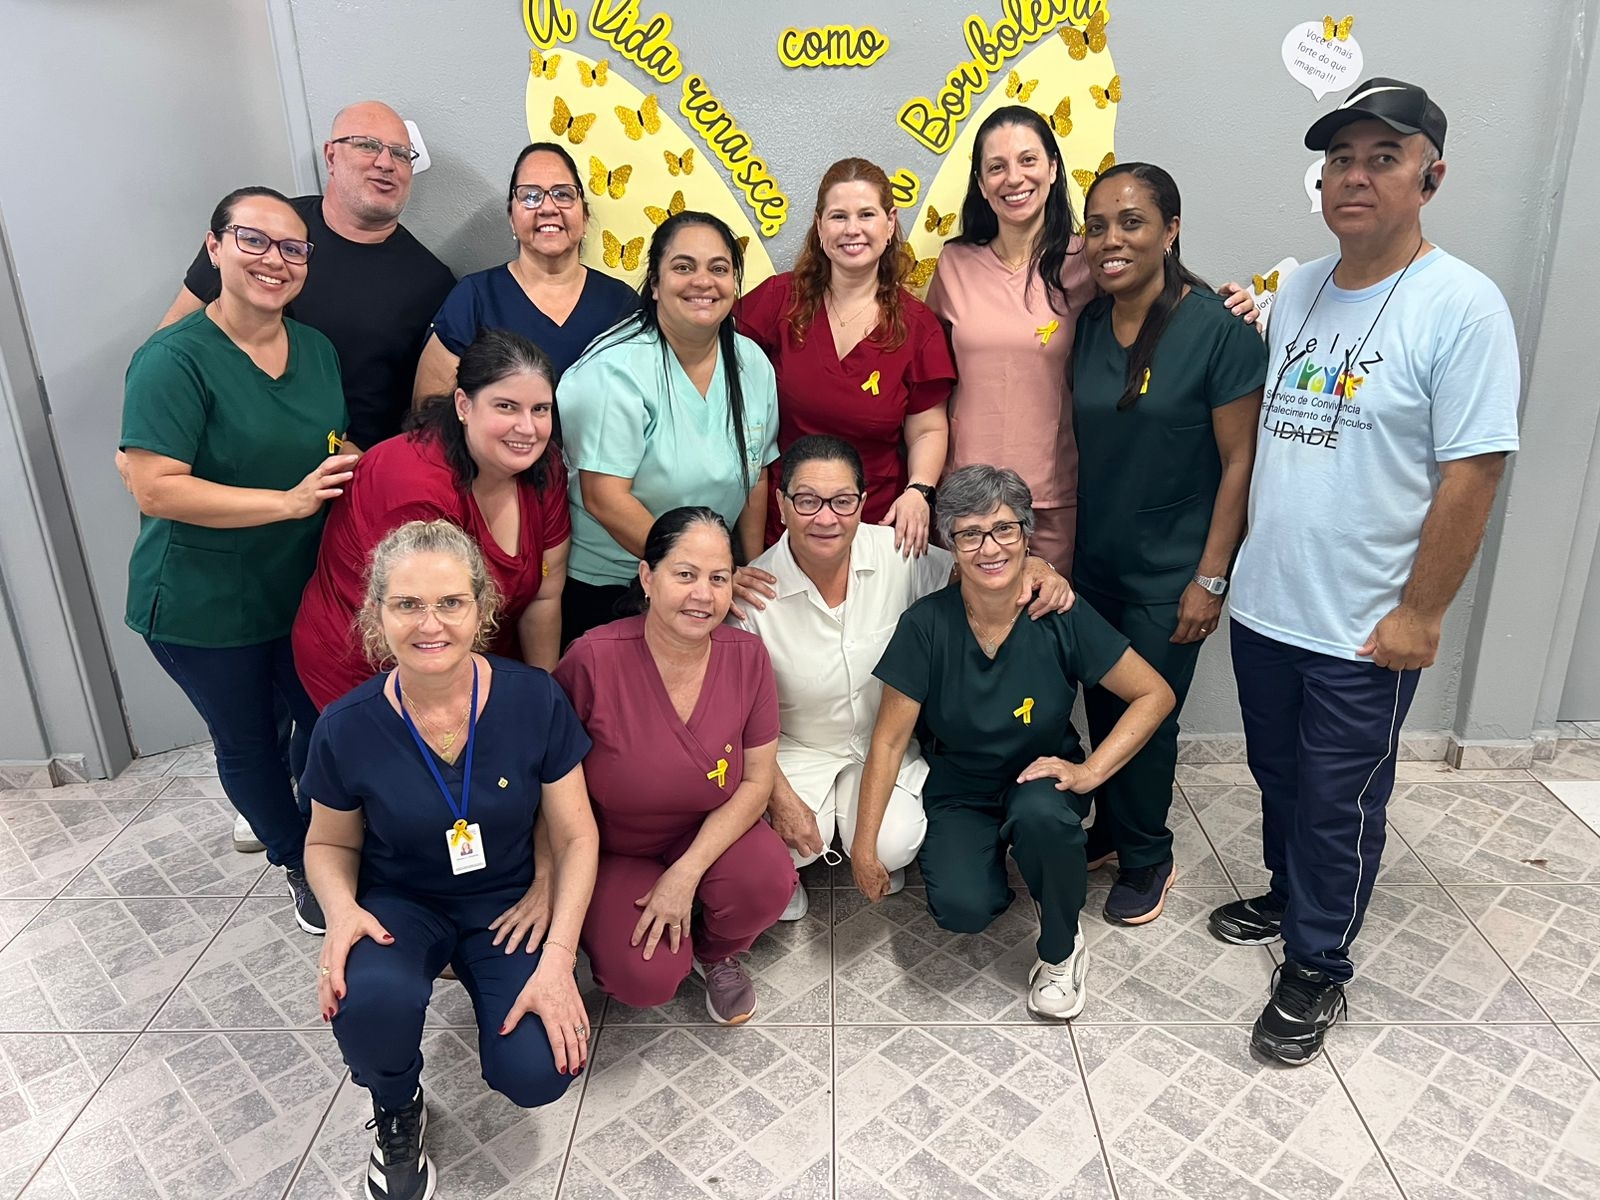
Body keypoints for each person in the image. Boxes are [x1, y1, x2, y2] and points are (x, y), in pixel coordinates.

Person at [1210, 79, 1520, 1065]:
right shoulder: (1299, 286)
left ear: (1431, 177)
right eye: (1340, 159)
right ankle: (1287, 895)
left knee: (1339, 802)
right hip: (1268, 606)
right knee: (1278, 777)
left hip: (1364, 627)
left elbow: (1474, 473)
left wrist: (1421, 613)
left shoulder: (1463, 306)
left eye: (1383, 158)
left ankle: (1316, 964)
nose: (1355, 176)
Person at [303, 520, 597, 1200]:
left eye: (450, 603)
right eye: (407, 604)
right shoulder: (346, 727)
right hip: (402, 902)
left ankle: (499, 987)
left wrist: (559, 959)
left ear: (482, 607)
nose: (429, 624)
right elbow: (327, 843)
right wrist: (341, 912)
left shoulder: (534, 699)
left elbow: (577, 836)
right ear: (377, 613)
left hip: (510, 905)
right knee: (365, 999)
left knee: (538, 1068)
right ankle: (396, 1104)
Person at [121, 186, 357, 936]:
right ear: (214, 247)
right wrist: (288, 503)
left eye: (293, 248)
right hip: (203, 602)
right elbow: (155, 487)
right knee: (249, 739)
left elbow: (328, 443)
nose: (274, 260)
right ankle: (295, 857)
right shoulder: (172, 359)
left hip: (300, 587)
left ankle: (331, 842)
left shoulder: (315, 350)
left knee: (322, 719)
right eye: (253, 240)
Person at [857, 466, 1173, 1018]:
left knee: (1042, 818)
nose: (989, 548)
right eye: (969, 534)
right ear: (950, 545)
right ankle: (1008, 866)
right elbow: (887, 743)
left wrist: (1090, 773)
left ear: (1027, 535)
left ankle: (1062, 949)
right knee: (962, 909)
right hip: (961, 787)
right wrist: (864, 847)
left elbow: (1154, 694)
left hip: (1040, 777)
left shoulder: (1058, 614)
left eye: (1004, 529)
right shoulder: (926, 625)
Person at [733, 435, 1074, 922]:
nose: (825, 518)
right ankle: (785, 872)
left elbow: (977, 566)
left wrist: (1038, 566)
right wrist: (779, 797)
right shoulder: (753, 591)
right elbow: (737, 716)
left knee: (891, 847)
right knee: (786, 850)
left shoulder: (899, 553)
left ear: (862, 504)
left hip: (884, 744)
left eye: (842, 501)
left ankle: (857, 840)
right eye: (807, 501)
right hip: (797, 748)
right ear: (782, 506)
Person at [926, 105, 1255, 574]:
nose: (1013, 178)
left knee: (1047, 617)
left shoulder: (1090, 258)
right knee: (967, 619)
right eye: (996, 167)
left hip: (1053, 496)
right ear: (980, 183)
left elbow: (1157, 299)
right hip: (966, 496)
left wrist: (1230, 304)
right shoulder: (954, 263)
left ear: (1053, 168)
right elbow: (929, 380)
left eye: (1028, 160)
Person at [1070, 163, 1266, 925]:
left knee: (1148, 717)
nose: (1110, 240)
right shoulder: (1091, 324)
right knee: (1099, 700)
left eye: (1132, 222)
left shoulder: (1217, 331)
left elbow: (1241, 462)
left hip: (1173, 570)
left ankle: (1149, 854)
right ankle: (1113, 827)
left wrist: (1211, 578)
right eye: (1097, 226)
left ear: (1171, 230)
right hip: (1097, 561)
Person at [553, 508, 794, 1025]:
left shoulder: (748, 656)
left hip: (707, 832)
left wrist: (686, 873)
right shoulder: (592, 660)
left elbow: (757, 780)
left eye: (718, 578)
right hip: (614, 846)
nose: (702, 595)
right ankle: (655, 945)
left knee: (767, 881)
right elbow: (548, 782)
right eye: (685, 575)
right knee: (645, 977)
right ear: (647, 577)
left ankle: (714, 953)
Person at [294, 329, 571, 710]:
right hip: (372, 667)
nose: (528, 428)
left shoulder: (543, 467)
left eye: (540, 409)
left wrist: (544, 697)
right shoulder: (415, 487)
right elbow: (424, 629)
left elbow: (545, 594)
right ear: (464, 405)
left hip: (471, 653)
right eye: (506, 407)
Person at [160, 102, 454, 451]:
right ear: (331, 156)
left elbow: (426, 418)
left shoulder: (433, 284)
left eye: (401, 154)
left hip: (348, 467)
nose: (386, 163)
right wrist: (157, 440)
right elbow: (172, 339)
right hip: (225, 451)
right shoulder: (258, 231)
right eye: (367, 145)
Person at [557, 212, 779, 641]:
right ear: (656, 284)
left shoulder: (751, 362)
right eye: (683, 267)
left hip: (709, 585)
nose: (703, 281)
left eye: (719, 268)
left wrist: (748, 567)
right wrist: (702, 571)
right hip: (616, 587)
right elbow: (605, 498)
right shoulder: (614, 370)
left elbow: (757, 474)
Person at [736, 158, 954, 552]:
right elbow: (717, 360)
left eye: (866, 215)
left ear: (890, 223)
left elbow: (927, 429)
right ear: (819, 226)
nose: (852, 229)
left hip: (878, 526)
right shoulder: (779, 301)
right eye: (839, 216)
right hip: (787, 525)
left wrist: (919, 491)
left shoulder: (918, 328)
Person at [412, 142, 638, 402]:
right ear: (512, 218)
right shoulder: (474, 299)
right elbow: (429, 413)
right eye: (530, 195)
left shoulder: (623, 305)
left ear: (584, 216)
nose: (548, 208)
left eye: (563, 194)